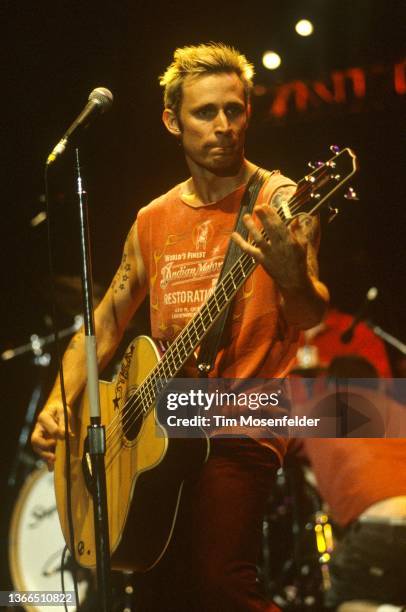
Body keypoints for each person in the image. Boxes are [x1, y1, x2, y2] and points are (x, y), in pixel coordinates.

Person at [31, 43, 329, 611]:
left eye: (234, 110)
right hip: (164, 427)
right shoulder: (152, 219)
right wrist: (61, 402)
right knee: (156, 592)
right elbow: (108, 320)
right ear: (172, 120)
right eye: (204, 112)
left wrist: (292, 280)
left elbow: (310, 314)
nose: (223, 125)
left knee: (221, 584)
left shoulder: (281, 199)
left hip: (245, 414)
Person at [301, 356, 406, 612]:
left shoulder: (312, 410)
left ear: (328, 384)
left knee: (350, 603)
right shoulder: (399, 409)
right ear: (379, 385)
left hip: (382, 529)